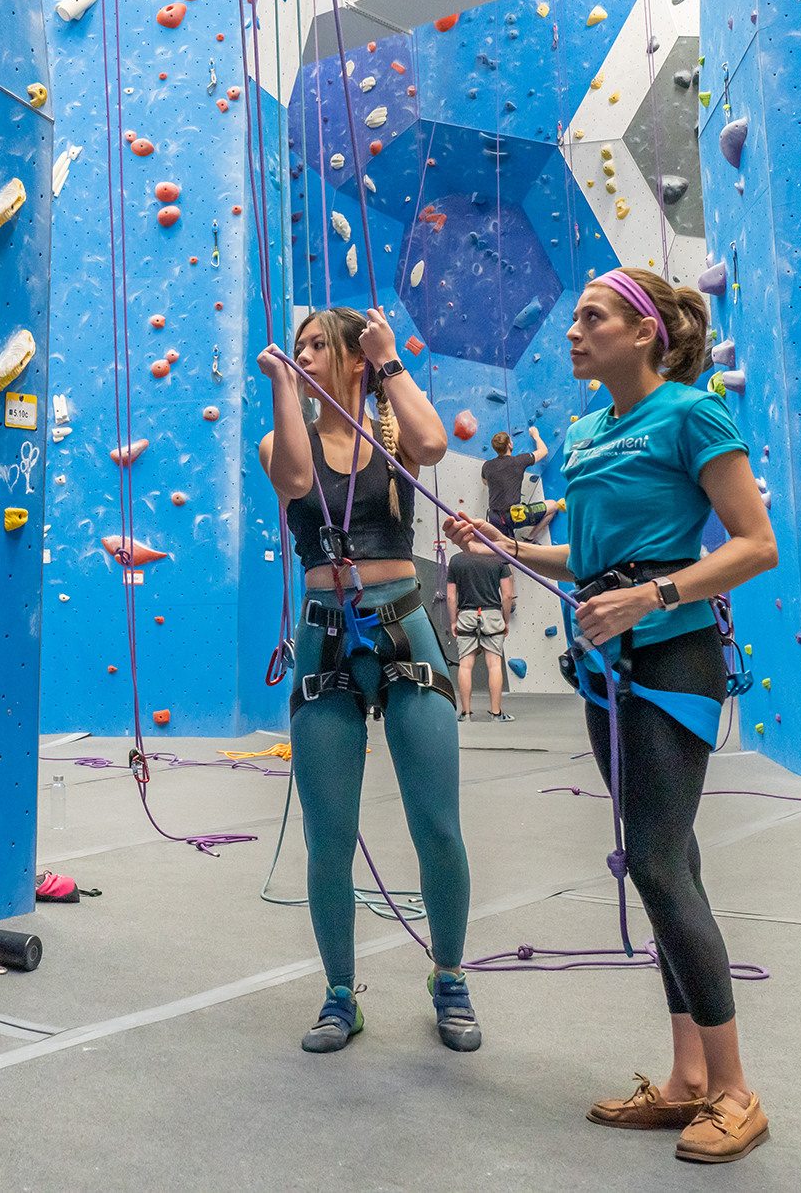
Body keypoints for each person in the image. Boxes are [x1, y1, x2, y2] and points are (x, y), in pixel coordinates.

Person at [455, 267, 777, 1164]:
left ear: (643, 333)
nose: (573, 331)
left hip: (672, 657)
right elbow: (589, 555)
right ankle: (685, 1081)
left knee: (657, 863)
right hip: (605, 664)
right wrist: (507, 545)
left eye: (592, 317)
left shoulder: (693, 413)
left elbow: (756, 544)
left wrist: (652, 595)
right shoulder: (586, 429)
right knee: (665, 861)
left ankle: (737, 1089)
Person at [255, 307, 478, 1056]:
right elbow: (291, 475)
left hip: (404, 624)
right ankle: (340, 992)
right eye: (300, 345)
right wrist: (288, 386)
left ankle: (449, 974)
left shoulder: (392, 439)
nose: (306, 352)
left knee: (437, 826)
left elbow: (436, 441)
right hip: (324, 636)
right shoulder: (284, 440)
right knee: (329, 837)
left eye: (319, 344)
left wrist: (389, 360)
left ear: (353, 356)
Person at [443, 537, 513, 721]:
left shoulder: (457, 560)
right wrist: (505, 621)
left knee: (465, 666)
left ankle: (465, 713)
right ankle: (496, 714)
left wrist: (452, 621)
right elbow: (507, 595)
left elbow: (451, 597)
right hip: (492, 615)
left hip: (466, 615)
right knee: (494, 665)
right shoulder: (498, 558)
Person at [480, 426, 548, 535]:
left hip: (494, 518)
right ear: (509, 445)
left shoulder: (487, 466)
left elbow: (485, 482)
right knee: (553, 505)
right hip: (515, 515)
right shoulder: (519, 461)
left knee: (505, 546)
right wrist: (536, 435)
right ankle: (531, 538)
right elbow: (543, 451)